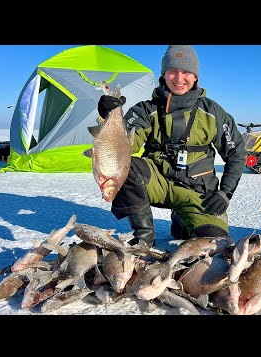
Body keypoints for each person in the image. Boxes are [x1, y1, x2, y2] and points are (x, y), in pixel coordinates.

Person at [97, 45, 247, 247]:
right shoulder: (145, 110)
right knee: (126, 167)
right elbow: (122, 149)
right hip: (157, 182)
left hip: (198, 191)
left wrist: (225, 192)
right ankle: (144, 239)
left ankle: (183, 218)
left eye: (186, 72)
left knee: (214, 245)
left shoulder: (212, 112)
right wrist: (108, 118)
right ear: (164, 74)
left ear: (195, 77)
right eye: (173, 71)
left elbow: (236, 152)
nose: (179, 78)